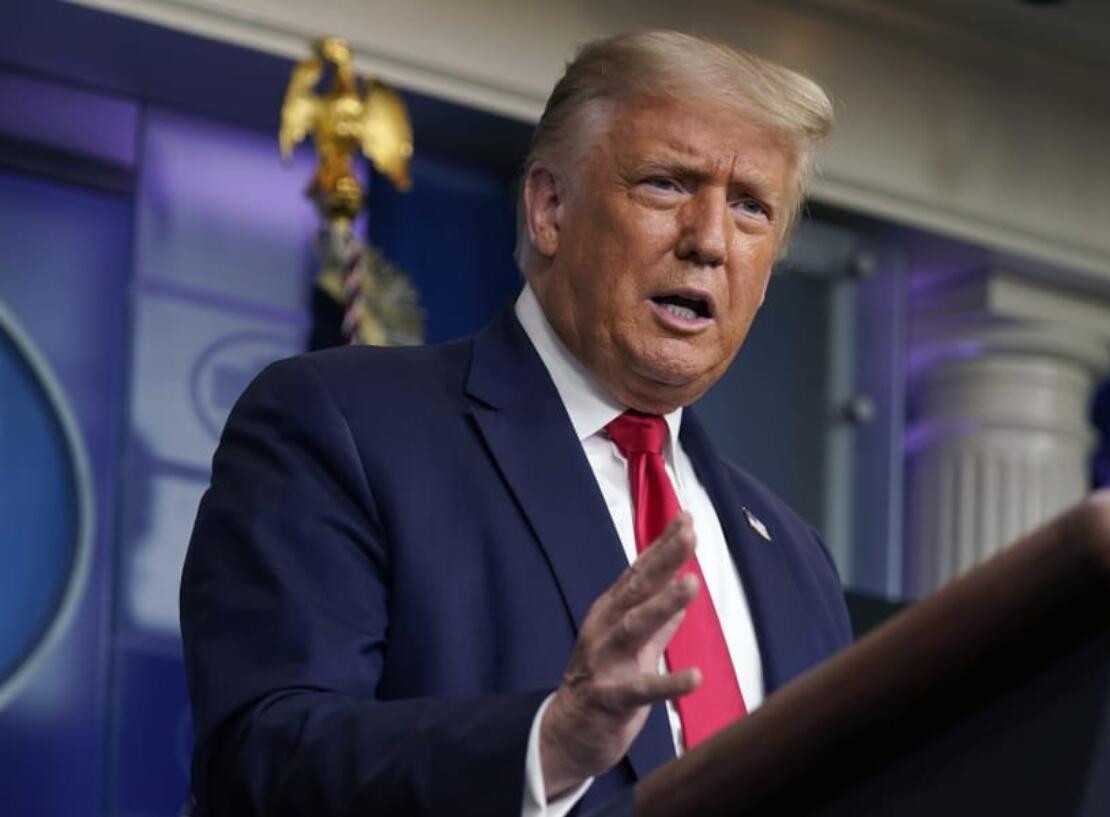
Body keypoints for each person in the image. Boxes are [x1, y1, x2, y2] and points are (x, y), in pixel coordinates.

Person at [181, 30, 853, 817]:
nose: (709, 240)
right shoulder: (342, 428)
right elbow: (261, 760)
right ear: (549, 208)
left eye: (750, 208)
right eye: (668, 184)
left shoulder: (798, 560)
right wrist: (545, 745)